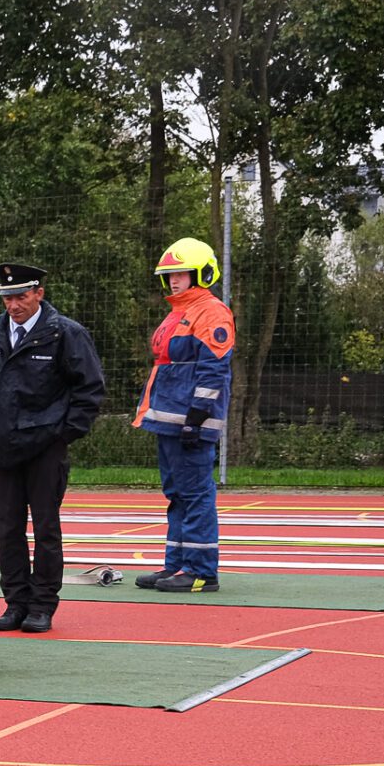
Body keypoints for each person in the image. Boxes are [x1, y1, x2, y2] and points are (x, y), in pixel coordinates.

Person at [0, 260, 105, 632]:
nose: (13, 305)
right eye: (7, 298)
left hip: (45, 448)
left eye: (21, 297)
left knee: (45, 529)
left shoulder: (65, 333)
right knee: (6, 529)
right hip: (1, 448)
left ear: (38, 294)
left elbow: (89, 389)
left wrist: (63, 434)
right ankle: (16, 603)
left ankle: (42, 605)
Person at [133, 237, 234, 592]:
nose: (173, 280)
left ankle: (201, 571)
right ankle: (176, 565)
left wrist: (196, 418)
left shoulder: (211, 311)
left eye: (181, 273)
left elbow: (214, 371)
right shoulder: (179, 311)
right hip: (169, 419)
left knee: (195, 495)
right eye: (169, 275)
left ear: (201, 274)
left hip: (190, 421)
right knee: (177, 494)